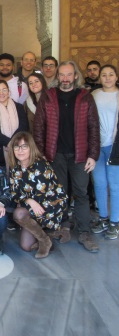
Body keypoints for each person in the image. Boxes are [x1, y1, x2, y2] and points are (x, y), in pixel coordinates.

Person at [34, 60, 100, 253]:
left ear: (75, 76)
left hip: (80, 154)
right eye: (61, 75)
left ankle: (85, 232)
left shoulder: (85, 97)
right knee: (59, 193)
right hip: (55, 155)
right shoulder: (48, 96)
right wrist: (42, 154)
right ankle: (63, 226)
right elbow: (39, 127)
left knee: (81, 193)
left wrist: (93, 155)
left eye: (68, 74)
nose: (64, 78)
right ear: (57, 77)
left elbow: (94, 127)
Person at [8, 132, 69, 258]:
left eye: (24, 146)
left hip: (49, 206)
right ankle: (47, 238)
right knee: (26, 247)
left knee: (18, 213)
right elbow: (14, 193)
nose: (20, 150)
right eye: (17, 147)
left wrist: (26, 200)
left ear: (31, 148)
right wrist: (28, 200)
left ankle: (46, 238)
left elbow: (41, 197)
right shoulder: (15, 169)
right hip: (32, 206)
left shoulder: (40, 165)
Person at [91, 65, 119, 239]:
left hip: (114, 145)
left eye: (111, 75)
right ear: (99, 78)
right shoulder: (94, 95)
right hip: (96, 146)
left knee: (114, 184)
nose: (107, 78)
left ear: (116, 77)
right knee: (99, 183)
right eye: (104, 75)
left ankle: (115, 221)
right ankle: (103, 217)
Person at [0, 80, 29, 168]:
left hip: (19, 149)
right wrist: (9, 142)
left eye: (4, 90)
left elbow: (24, 126)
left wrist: (14, 143)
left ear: (9, 92)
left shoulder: (19, 107)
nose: (1, 93)